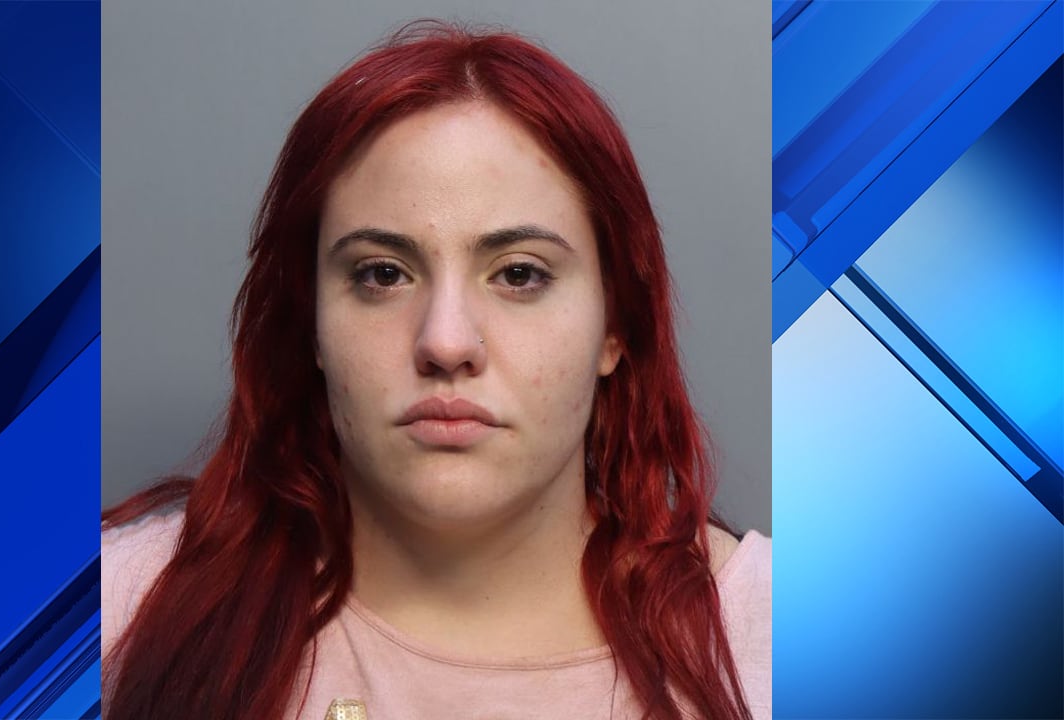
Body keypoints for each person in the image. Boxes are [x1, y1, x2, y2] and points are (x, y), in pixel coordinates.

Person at [102, 20, 770, 720]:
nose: (446, 343)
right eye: (383, 274)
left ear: (615, 326)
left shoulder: (782, 645)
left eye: (519, 274)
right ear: (312, 325)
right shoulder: (120, 609)